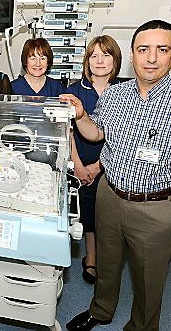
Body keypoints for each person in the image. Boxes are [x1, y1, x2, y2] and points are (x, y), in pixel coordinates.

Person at [63, 20, 171, 331]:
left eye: (161, 49)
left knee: (148, 278)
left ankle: (141, 327)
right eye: (144, 49)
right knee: (108, 264)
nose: (151, 58)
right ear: (132, 54)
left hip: (155, 206)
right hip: (109, 195)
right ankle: (100, 311)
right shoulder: (116, 96)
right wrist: (82, 115)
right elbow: (96, 134)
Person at [66, 35, 122, 285]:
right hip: (82, 163)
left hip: (114, 165)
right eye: (94, 55)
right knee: (87, 211)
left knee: (110, 215)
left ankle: (108, 257)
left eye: (106, 55)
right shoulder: (75, 92)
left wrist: (100, 166)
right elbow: (66, 132)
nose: (100, 61)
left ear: (116, 60)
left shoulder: (126, 91)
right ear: (87, 61)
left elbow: (126, 134)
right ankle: (91, 257)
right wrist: (78, 165)